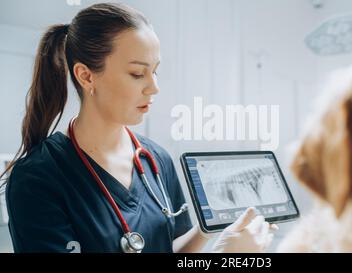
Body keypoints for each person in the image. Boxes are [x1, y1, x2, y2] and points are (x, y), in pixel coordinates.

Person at [0, 3, 276, 253]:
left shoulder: (157, 160)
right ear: (86, 75)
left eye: (155, 71)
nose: (154, 87)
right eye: (137, 73)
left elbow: (168, 248)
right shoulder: (37, 179)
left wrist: (206, 232)